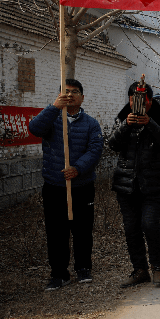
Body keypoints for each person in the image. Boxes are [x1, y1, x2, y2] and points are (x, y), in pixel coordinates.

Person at [29, 79, 104, 291]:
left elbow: (95, 150)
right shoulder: (52, 119)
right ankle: (59, 274)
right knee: (56, 231)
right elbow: (34, 128)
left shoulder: (91, 124)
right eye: (66, 91)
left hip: (82, 186)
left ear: (82, 97)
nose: (70, 95)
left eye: (75, 92)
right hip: (55, 185)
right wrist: (54, 107)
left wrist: (77, 168)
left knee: (82, 229)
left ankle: (83, 268)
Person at [108, 81, 160, 288]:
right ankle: (140, 269)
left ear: (150, 100)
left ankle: (157, 267)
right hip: (126, 184)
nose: (138, 103)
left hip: (153, 184)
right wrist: (126, 125)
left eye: (143, 99)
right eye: (133, 99)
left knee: (150, 224)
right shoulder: (122, 119)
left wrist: (149, 123)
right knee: (131, 228)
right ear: (129, 100)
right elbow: (112, 144)